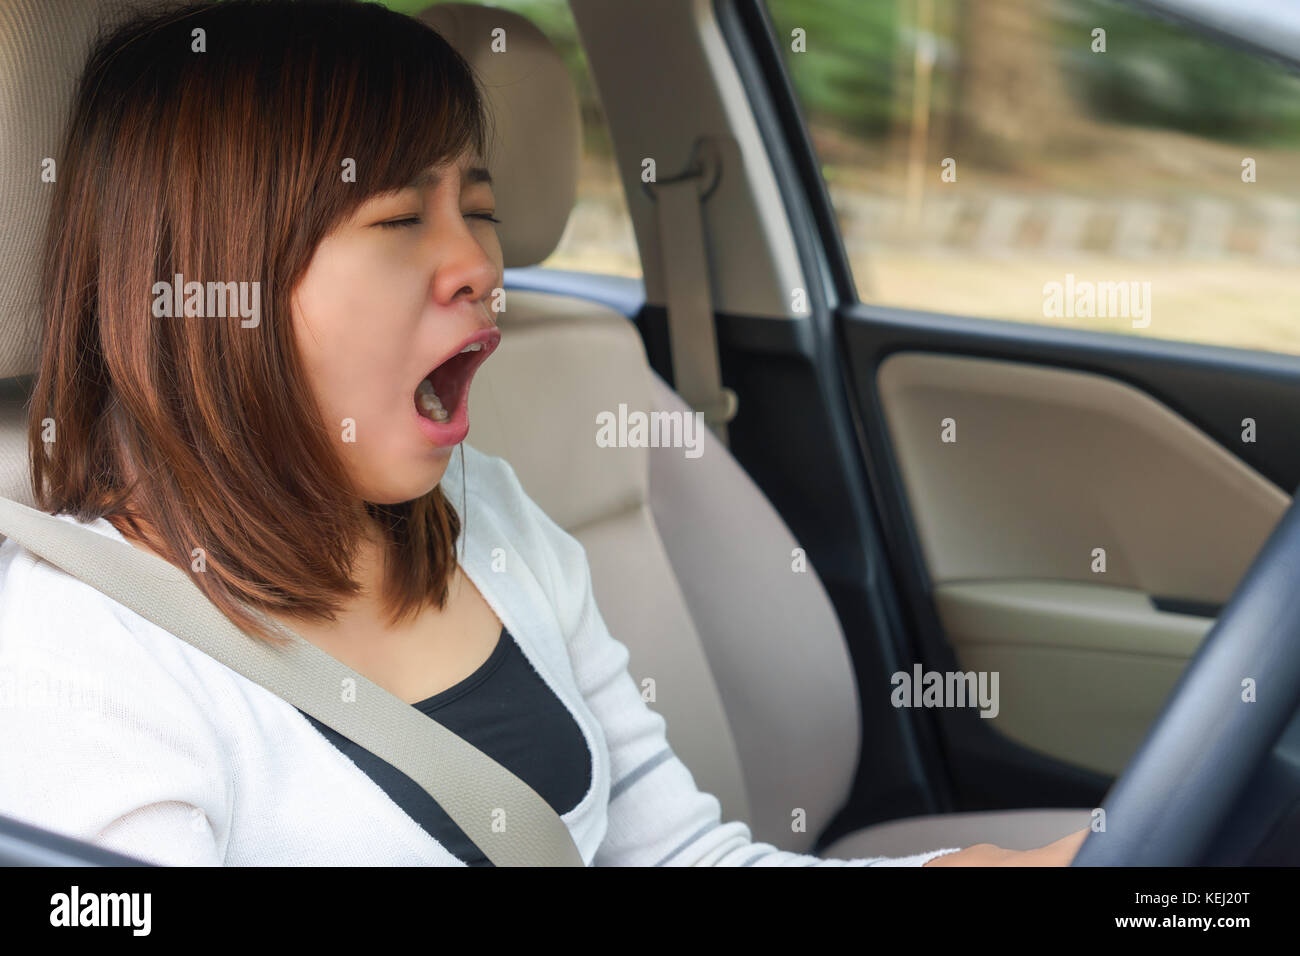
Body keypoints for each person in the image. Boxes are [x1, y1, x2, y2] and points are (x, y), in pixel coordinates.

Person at [0, 0, 1085, 866]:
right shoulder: (77, 656)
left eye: (477, 207)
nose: (479, 263)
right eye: (394, 219)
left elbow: (672, 856)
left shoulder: (487, 513)